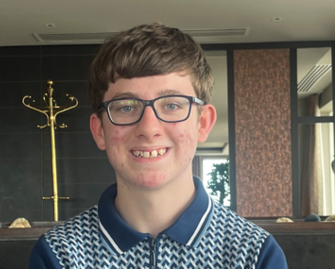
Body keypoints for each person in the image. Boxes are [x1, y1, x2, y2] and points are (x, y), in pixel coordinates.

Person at [29, 22, 288, 269]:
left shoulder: (254, 254)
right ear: (99, 131)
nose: (149, 128)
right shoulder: (59, 254)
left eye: (172, 105)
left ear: (203, 123)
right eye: (126, 107)